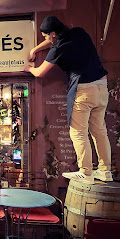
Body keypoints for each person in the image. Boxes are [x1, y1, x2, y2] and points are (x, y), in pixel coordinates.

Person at [24, 16, 112, 185]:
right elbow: (53, 42)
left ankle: (86, 172)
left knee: (77, 132)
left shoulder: (58, 48)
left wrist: (30, 68)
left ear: (54, 34)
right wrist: (36, 48)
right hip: (102, 86)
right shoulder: (78, 32)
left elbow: (41, 72)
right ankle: (105, 171)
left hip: (84, 89)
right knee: (99, 131)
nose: (45, 39)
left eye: (45, 36)